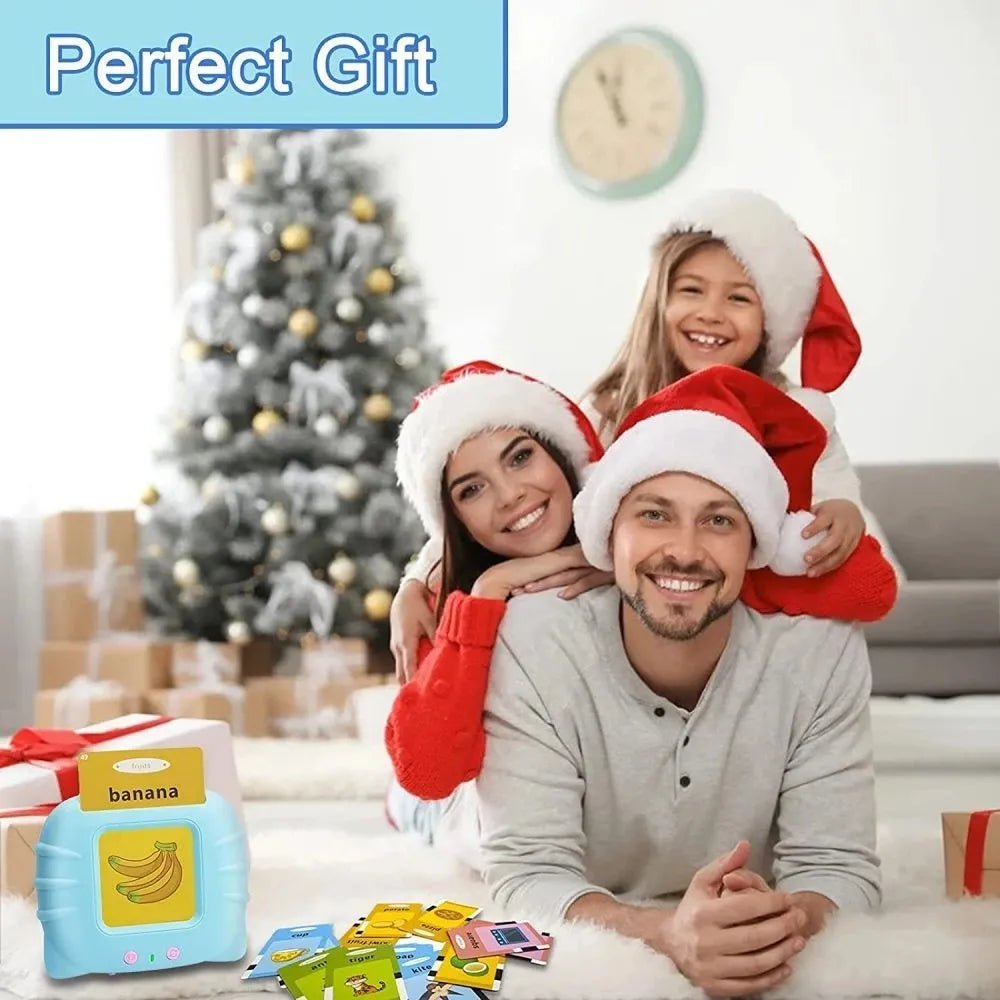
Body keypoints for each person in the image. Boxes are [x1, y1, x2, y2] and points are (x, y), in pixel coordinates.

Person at [472, 366, 884, 998]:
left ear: (756, 544)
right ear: (610, 533)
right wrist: (669, 933)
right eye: (655, 514)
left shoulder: (820, 650)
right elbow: (523, 878)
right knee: (441, 823)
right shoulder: (532, 641)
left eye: (719, 520)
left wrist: (778, 921)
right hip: (465, 799)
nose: (685, 550)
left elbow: (840, 867)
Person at [391, 190, 888, 677]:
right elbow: (525, 504)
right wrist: (415, 581)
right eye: (691, 290)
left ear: (770, 322)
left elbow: (835, 498)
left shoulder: (799, 416)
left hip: (747, 630)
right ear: (659, 300)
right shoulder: (613, 406)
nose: (710, 313)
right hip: (638, 635)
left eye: (738, 298)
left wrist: (843, 511)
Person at [384, 360, 607, 804]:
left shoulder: (636, 546)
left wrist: (608, 559)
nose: (510, 495)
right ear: (457, 523)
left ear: (563, 457)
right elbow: (427, 775)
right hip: (470, 815)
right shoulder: (449, 597)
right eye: (472, 490)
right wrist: (488, 592)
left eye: (520, 458)